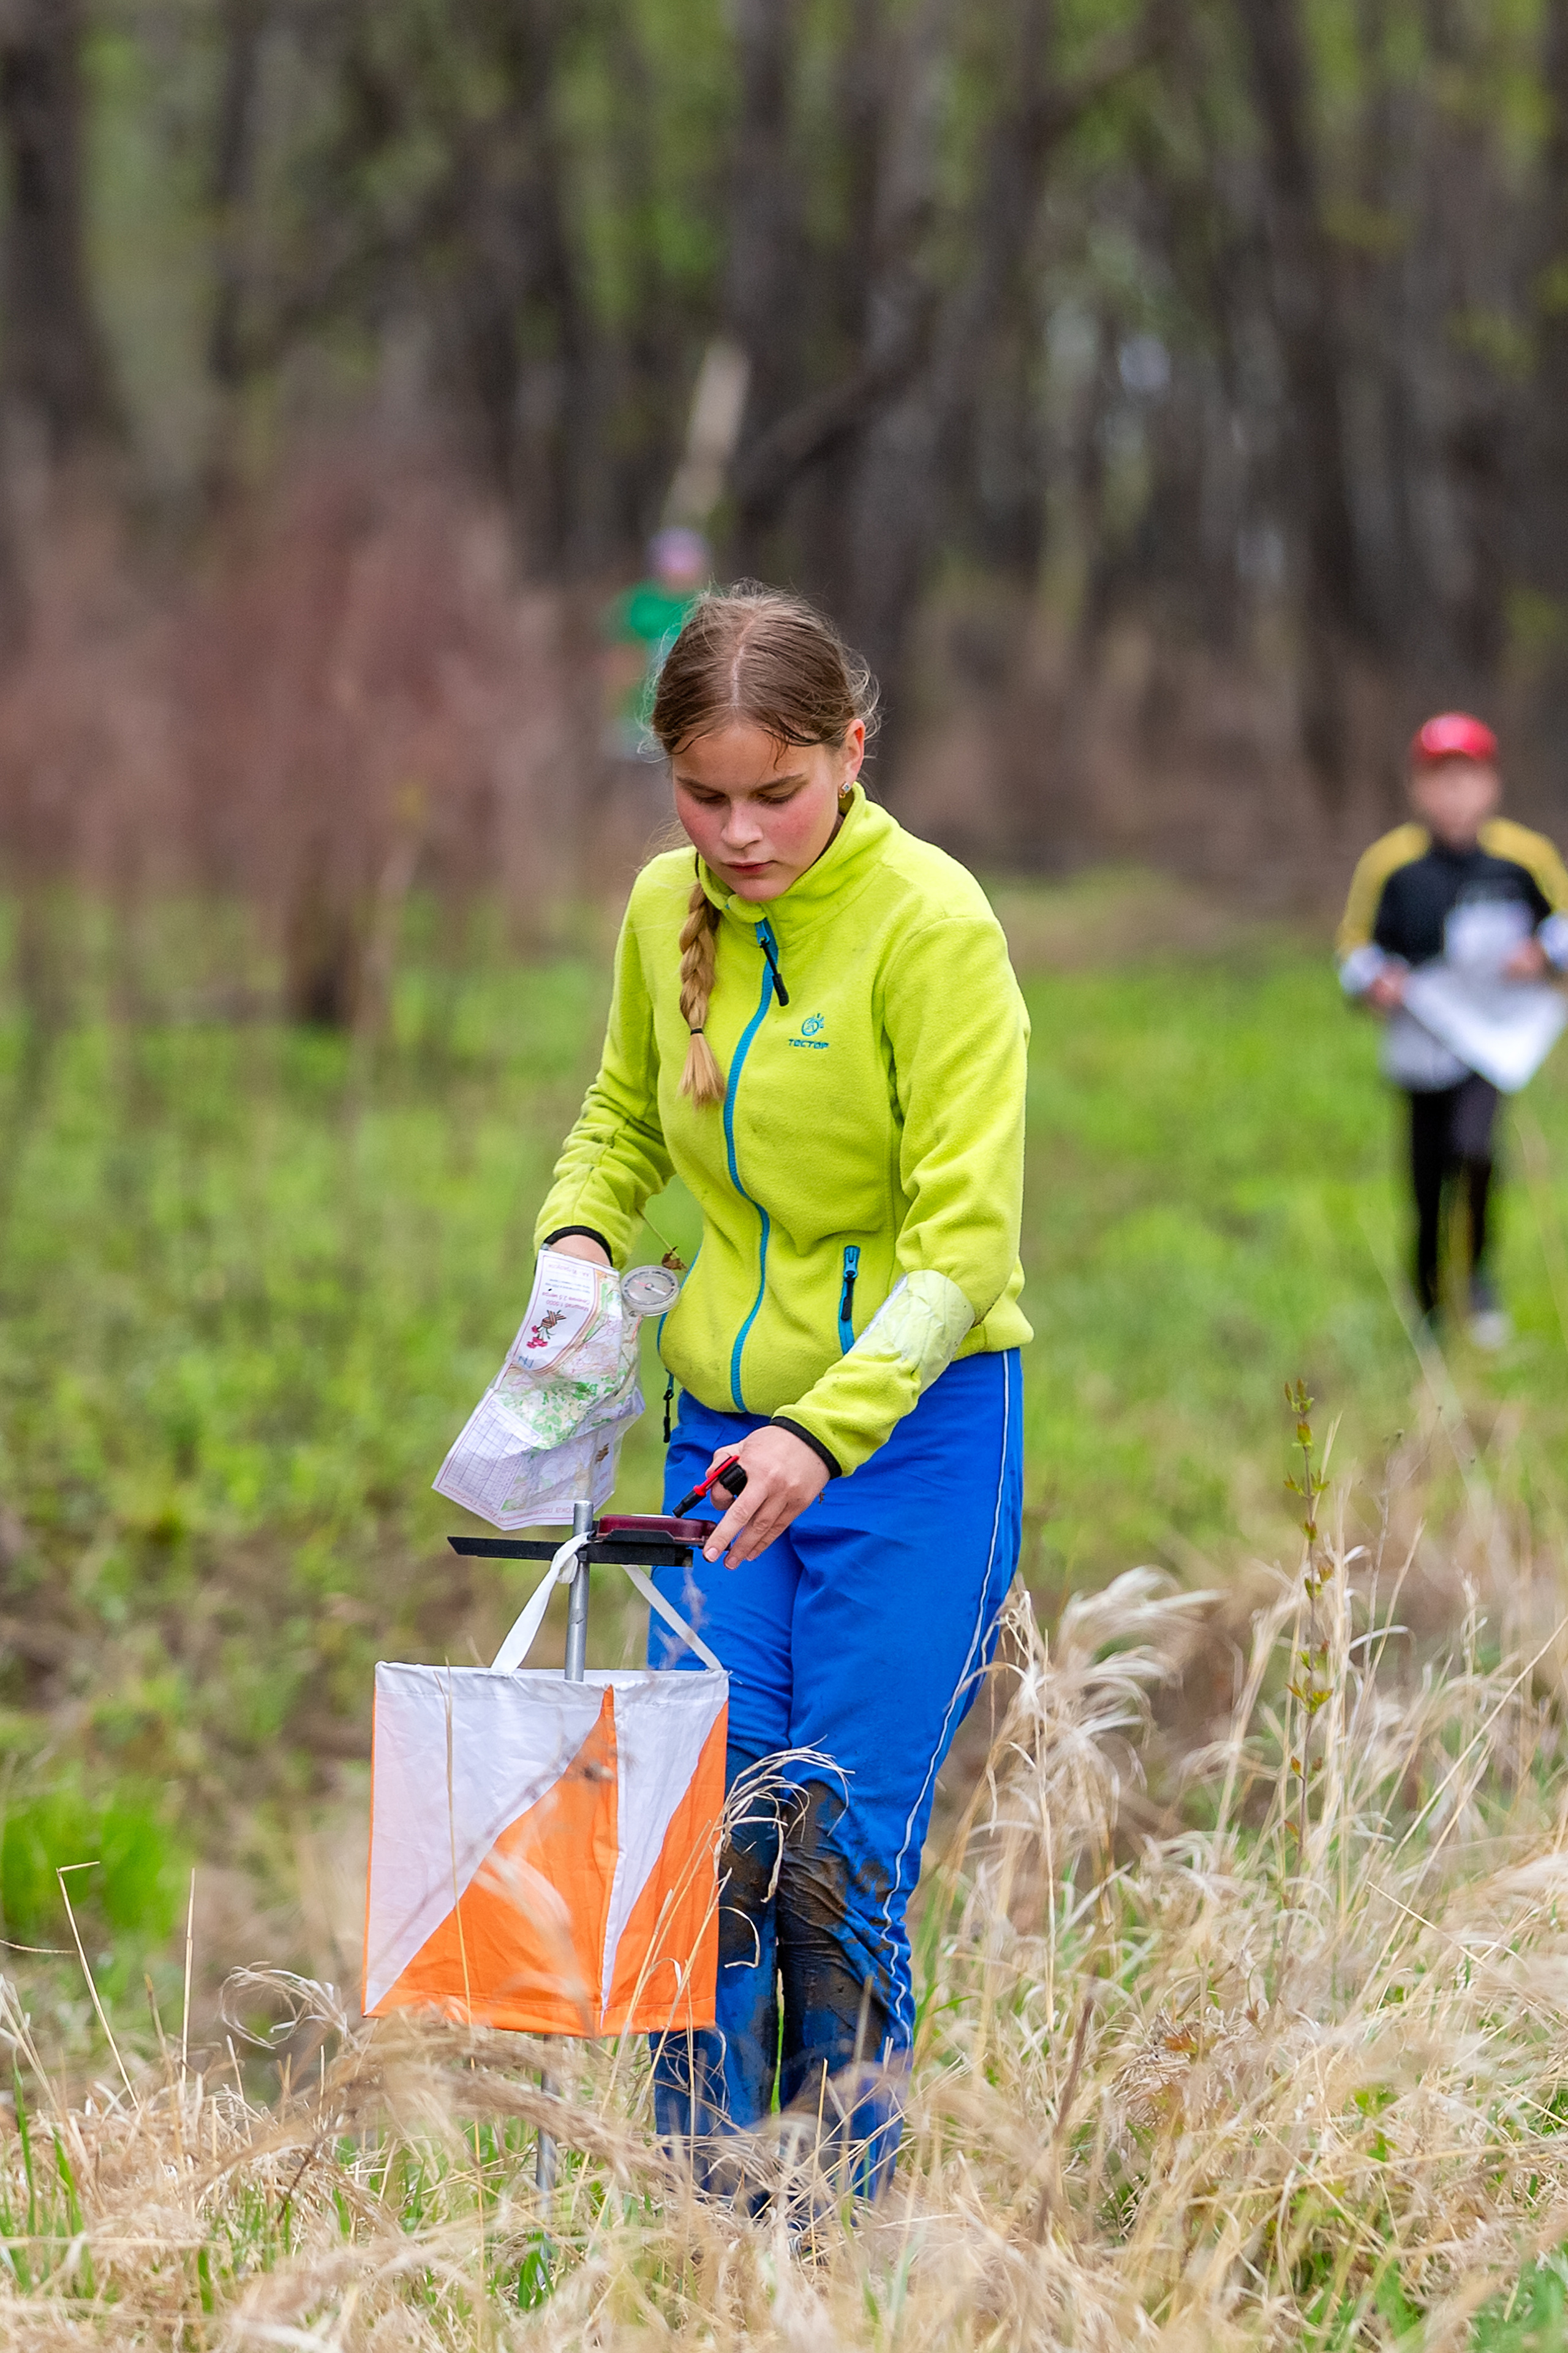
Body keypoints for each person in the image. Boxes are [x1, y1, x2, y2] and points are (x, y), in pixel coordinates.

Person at [533, 586, 1030, 2198]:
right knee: (699, 1852)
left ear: (853, 752)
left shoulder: (932, 927)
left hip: (914, 1443)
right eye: (704, 795)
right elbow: (622, 1114)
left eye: (777, 793)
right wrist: (580, 1238)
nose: (738, 834)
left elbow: (963, 1246)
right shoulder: (659, 908)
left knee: (828, 1857)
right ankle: (701, 2230)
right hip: (713, 1454)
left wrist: (827, 1429)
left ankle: (841, 2231)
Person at [1336, 711, 1568, 1346]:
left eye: (1466, 778)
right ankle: (1428, 1302)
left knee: (1475, 1150)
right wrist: (1371, 982)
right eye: (1439, 779)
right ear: (1417, 787)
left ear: (1490, 783)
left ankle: (1481, 1279)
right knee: (1424, 1175)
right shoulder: (1391, 866)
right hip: (1419, 1047)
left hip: (1492, 1046)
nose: (1453, 793)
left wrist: (1543, 956)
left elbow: (1563, 928)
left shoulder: (1525, 859)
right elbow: (1353, 950)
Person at [601, 527, 711, 758]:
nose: (680, 569)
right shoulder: (639, 606)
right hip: (641, 720)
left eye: (687, 560)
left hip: (696, 722)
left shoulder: (711, 605)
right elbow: (621, 663)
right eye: (674, 560)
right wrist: (616, 716)